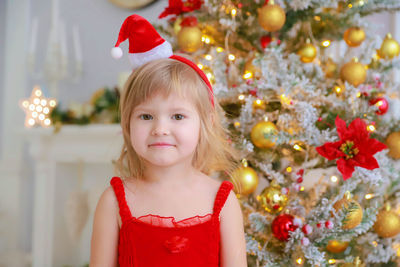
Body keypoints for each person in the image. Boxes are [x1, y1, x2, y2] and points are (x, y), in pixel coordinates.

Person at [90, 14, 247, 267]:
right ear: (128, 124)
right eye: (146, 116)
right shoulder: (113, 201)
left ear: (204, 123)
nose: (160, 129)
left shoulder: (222, 200)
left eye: (177, 116)